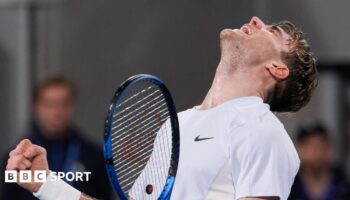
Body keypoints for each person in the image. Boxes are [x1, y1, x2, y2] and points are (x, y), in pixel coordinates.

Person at [6, 16, 318, 200]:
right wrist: (46, 184)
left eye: (272, 32)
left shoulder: (261, 130)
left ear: (278, 69)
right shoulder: (175, 125)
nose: (255, 21)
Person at [2, 75, 112, 200]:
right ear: (36, 106)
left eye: (64, 103)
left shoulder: (93, 156)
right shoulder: (19, 159)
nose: (57, 111)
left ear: (73, 105)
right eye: (49, 104)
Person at [289, 123, 350, 200]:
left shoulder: (344, 187)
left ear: (329, 148)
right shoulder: (286, 189)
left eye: (320, 144)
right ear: (298, 150)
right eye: (309, 146)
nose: (315, 151)